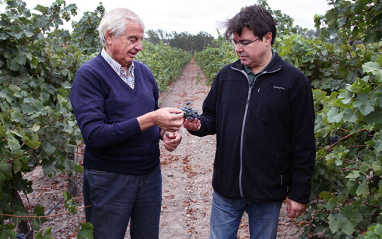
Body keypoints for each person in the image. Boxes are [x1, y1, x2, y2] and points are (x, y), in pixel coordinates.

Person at [183, 5, 316, 239]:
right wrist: (199, 126)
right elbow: (211, 117)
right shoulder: (226, 76)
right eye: (235, 42)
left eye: (244, 42)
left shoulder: (294, 82)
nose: (238, 49)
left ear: (267, 38)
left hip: (268, 191)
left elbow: (303, 142)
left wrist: (299, 193)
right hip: (226, 188)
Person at [69, 8, 184, 239]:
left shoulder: (144, 72)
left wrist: (164, 134)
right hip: (110, 179)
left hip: (150, 175)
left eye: (141, 39)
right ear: (110, 36)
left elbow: (150, 114)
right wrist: (152, 119)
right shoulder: (89, 75)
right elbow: (95, 135)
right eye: (133, 39)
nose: (139, 46)